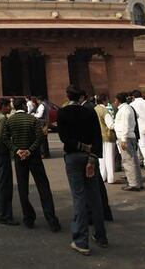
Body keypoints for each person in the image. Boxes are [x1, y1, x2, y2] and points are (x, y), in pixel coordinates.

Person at [58, 86, 106, 256]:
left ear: (67, 96)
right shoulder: (89, 112)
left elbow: (64, 138)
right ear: (81, 97)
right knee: (95, 196)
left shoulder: (63, 113)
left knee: (79, 197)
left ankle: (81, 241)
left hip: (73, 157)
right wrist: (92, 157)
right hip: (89, 158)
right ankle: (101, 236)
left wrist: (80, 146)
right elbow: (97, 137)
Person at [3, 97, 61, 231]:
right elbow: (40, 136)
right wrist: (30, 150)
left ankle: (28, 218)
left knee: (23, 189)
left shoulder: (10, 120)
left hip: (19, 158)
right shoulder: (32, 119)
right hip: (34, 157)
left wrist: (17, 150)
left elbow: (4, 138)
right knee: (43, 187)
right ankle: (51, 219)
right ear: (23, 106)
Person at [0, 98, 17, 225]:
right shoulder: (2, 118)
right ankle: (4, 215)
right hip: (2, 153)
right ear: (3, 106)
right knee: (5, 185)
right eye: (8, 106)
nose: (10, 108)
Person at [114, 93, 143, 191]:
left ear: (118, 100)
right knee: (133, 160)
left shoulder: (125, 110)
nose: (114, 102)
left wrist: (123, 139)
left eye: (115, 100)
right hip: (129, 136)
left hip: (126, 137)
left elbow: (125, 125)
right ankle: (137, 182)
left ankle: (133, 183)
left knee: (128, 161)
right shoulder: (128, 108)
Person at [94, 95, 116, 184]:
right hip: (107, 136)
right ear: (104, 100)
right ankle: (111, 178)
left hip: (98, 136)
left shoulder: (94, 109)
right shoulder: (105, 110)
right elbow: (110, 125)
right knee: (109, 157)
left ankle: (103, 176)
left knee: (101, 158)